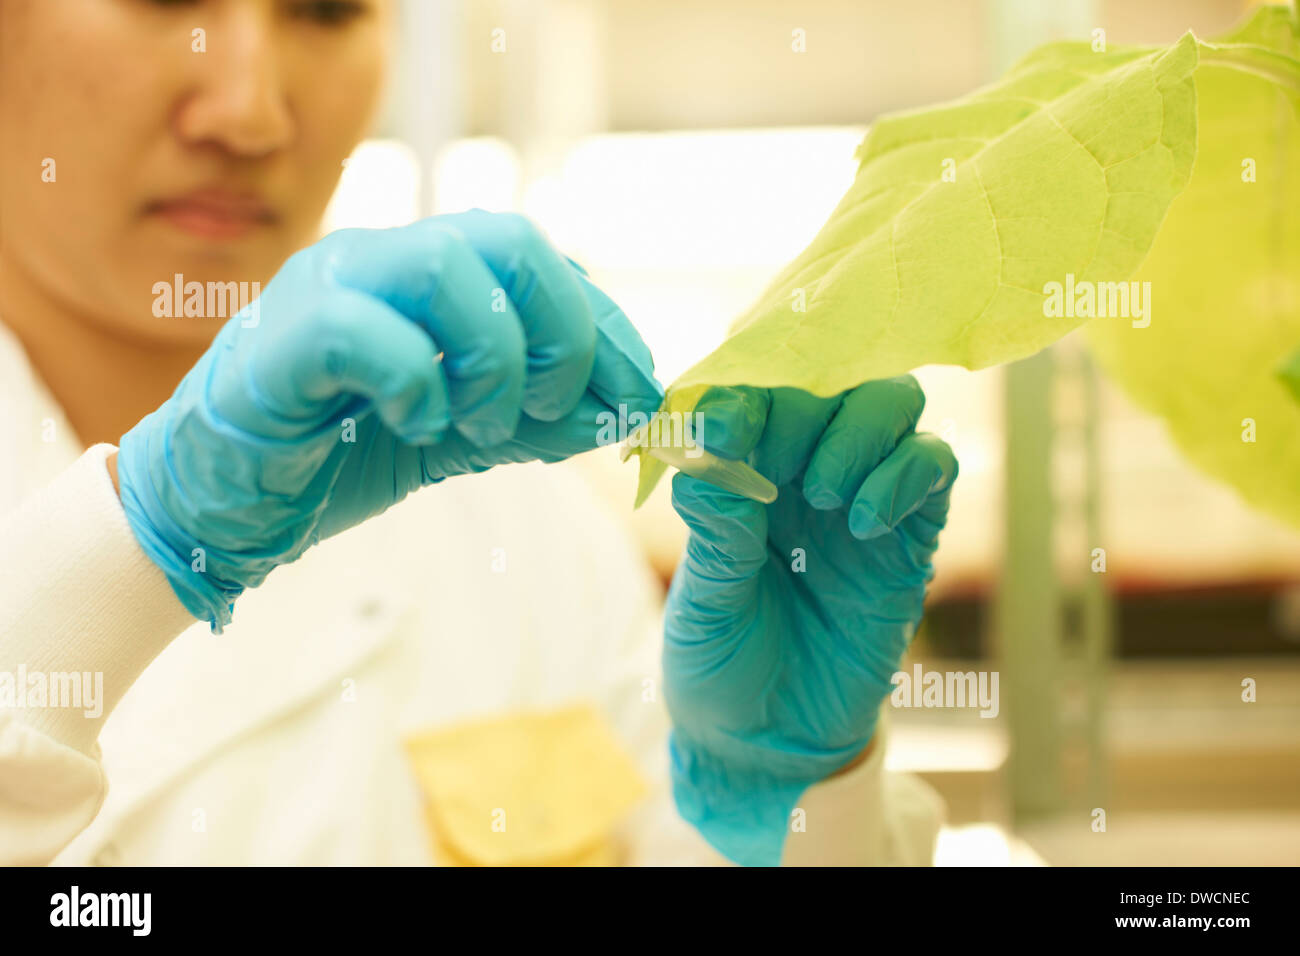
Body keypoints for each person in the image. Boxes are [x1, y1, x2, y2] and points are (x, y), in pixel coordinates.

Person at [0, 0, 955, 866]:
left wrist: (790, 806)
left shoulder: (521, 532)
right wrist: (126, 553)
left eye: (326, 11)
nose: (250, 113)